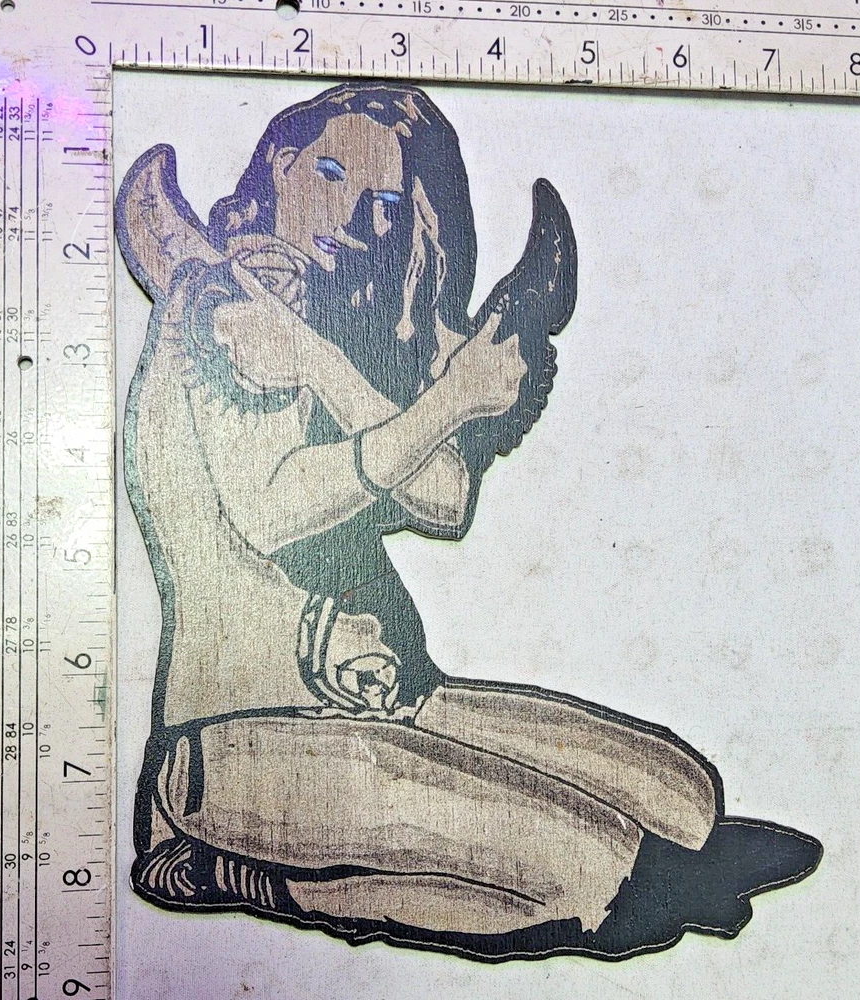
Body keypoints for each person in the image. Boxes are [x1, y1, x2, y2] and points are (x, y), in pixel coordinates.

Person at [115, 82, 732, 952]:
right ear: (281, 166)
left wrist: (342, 366)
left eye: (384, 203)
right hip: (240, 737)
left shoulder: (321, 326)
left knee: (683, 797)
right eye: (330, 174)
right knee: (594, 868)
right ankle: (236, 871)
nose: (351, 218)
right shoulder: (225, 305)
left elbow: (443, 496)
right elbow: (272, 508)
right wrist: (448, 400)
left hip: (395, 701)